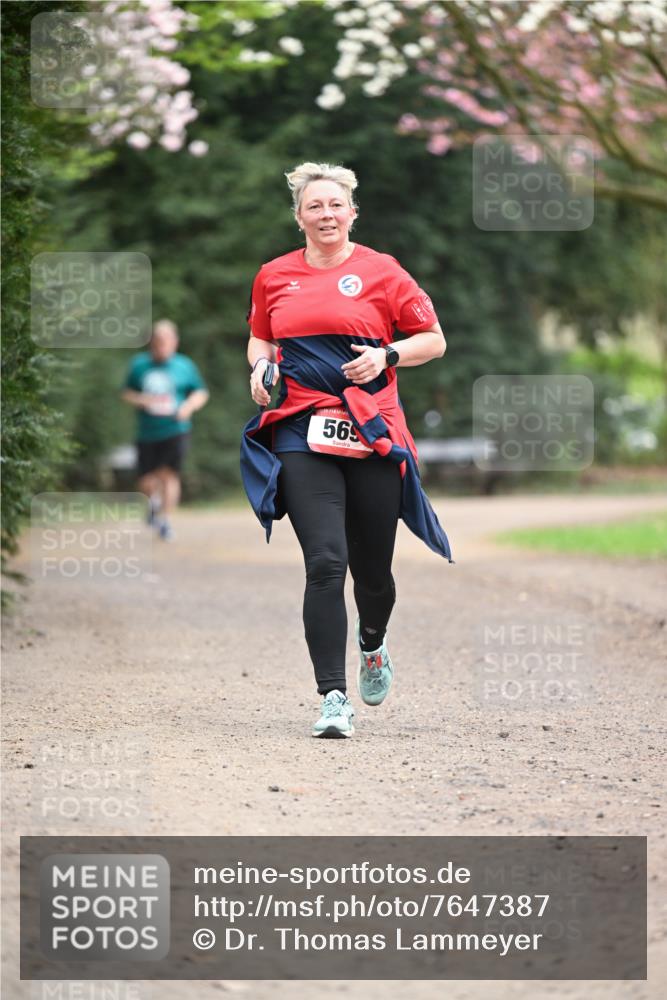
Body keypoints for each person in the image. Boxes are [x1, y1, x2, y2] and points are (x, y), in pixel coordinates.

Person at [241, 161, 452, 739]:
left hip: (371, 428)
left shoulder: (382, 272)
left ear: (352, 212)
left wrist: (387, 357)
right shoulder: (274, 275)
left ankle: (373, 643)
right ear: (300, 216)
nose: (326, 214)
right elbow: (262, 337)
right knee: (325, 563)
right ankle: (333, 697)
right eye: (315, 206)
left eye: (336, 205)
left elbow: (433, 340)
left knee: (373, 573)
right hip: (300, 425)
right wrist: (261, 368)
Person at [121, 320, 209, 540]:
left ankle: (166, 521)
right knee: (146, 481)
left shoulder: (184, 366)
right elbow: (126, 392)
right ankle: (152, 503)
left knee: (169, 475)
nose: (162, 347)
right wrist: (140, 399)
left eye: (166, 343)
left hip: (176, 429)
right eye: (158, 343)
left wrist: (188, 407)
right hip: (147, 431)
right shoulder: (139, 365)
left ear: (175, 343)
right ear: (152, 343)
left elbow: (200, 392)